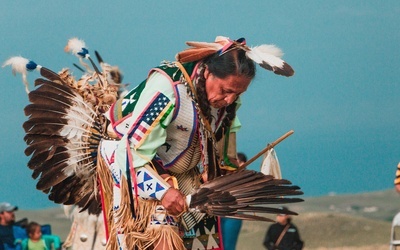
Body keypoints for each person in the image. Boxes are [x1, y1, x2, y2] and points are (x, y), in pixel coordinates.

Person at [4, 36, 296, 250]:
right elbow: (128, 153)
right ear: (207, 71)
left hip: (183, 173)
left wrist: (221, 171)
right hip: (135, 168)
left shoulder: (226, 101)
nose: (230, 99)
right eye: (226, 90)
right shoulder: (167, 92)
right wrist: (162, 191)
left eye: (237, 93)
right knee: (162, 238)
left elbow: (214, 142)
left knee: (203, 237)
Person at [220, 152, 247, 249]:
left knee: (228, 246)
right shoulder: (223, 174)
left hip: (234, 213)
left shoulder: (245, 178)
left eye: (236, 161)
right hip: (219, 212)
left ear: (242, 164)